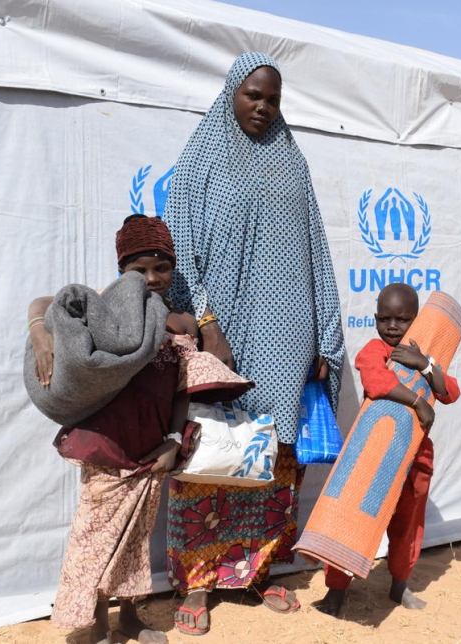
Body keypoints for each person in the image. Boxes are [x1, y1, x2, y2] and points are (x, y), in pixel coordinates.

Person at [162, 52, 345, 636]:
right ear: (229, 95)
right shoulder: (199, 163)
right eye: (253, 96)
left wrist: (323, 334)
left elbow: (316, 251)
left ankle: (259, 569)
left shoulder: (293, 163)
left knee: (274, 464)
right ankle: (196, 582)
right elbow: (178, 255)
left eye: (273, 99)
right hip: (224, 340)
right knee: (210, 454)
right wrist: (207, 321)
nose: (264, 108)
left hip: (288, 340)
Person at [27, 215, 196, 644]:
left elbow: (181, 391)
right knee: (95, 539)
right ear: (122, 270)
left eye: (162, 268)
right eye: (139, 270)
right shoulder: (102, 306)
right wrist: (39, 333)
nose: (153, 278)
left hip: (153, 449)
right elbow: (42, 303)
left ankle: (131, 619)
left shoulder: (181, 324)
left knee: (136, 541)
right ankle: (97, 622)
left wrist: (173, 443)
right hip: (106, 445)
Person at [315, 283, 460, 616]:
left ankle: (399, 585)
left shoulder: (424, 355)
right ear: (376, 319)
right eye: (385, 319)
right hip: (373, 456)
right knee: (349, 516)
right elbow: (376, 382)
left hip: (416, 457)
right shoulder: (374, 349)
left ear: (418, 319)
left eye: (402, 319)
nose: (392, 326)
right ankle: (336, 591)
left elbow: (451, 391)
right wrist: (418, 402)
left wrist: (424, 364)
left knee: (408, 524)